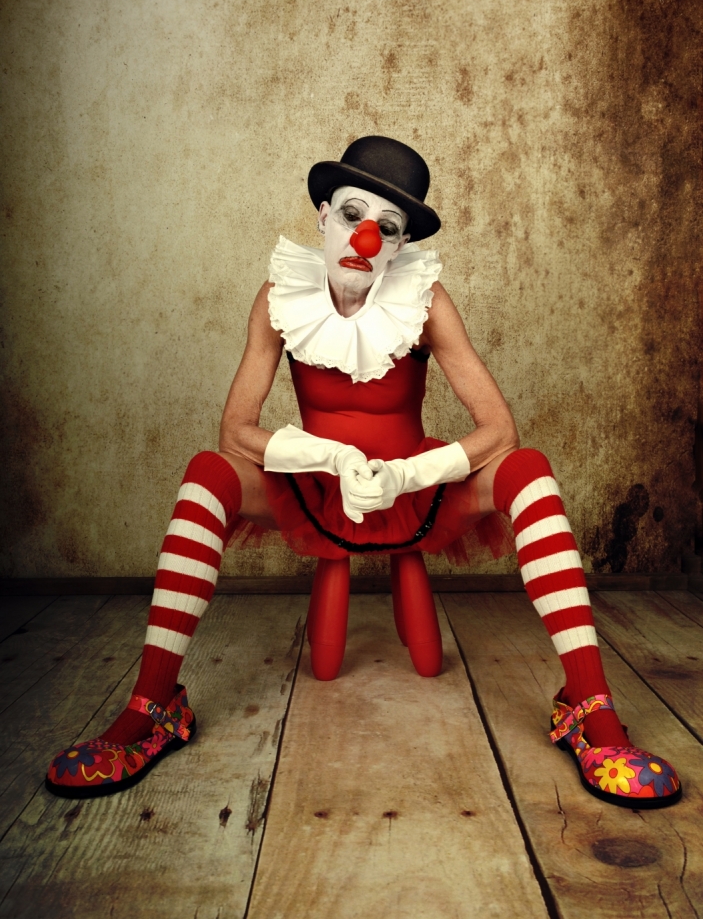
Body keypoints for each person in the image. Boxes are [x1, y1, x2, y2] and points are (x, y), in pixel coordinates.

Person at [45, 137, 681, 808]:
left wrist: (407, 476)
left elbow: (500, 431)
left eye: (388, 227)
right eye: (352, 215)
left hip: (416, 489)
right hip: (312, 490)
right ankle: (152, 708)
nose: (365, 239)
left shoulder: (426, 303)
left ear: (401, 246)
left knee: (528, 468)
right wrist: (331, 456)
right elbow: (234, 433)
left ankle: (588, 708)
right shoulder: (279, 298)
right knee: (208, 472)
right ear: (323, 215)